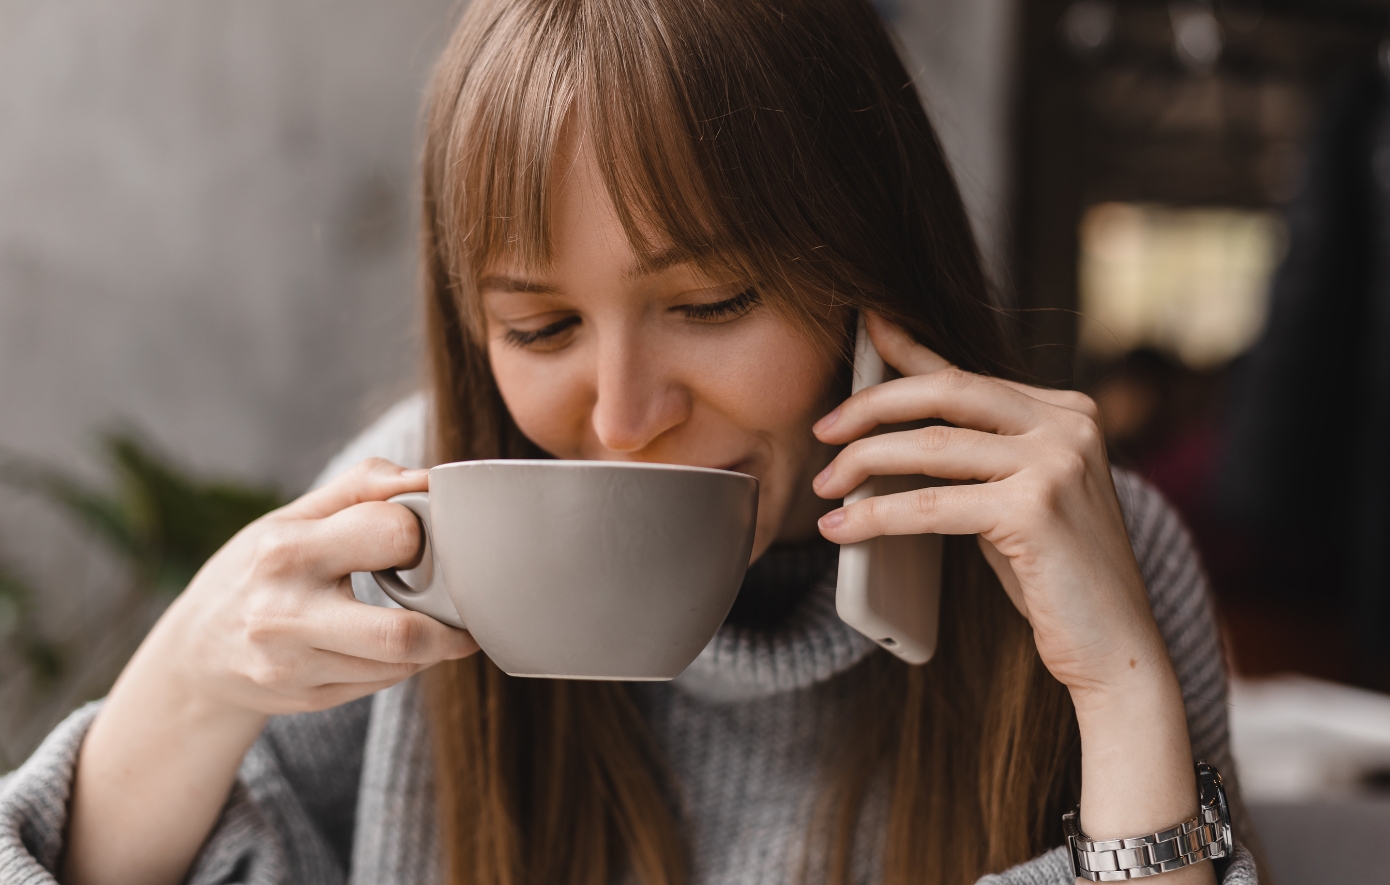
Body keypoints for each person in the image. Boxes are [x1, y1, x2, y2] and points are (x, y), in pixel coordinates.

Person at [0, 1, 1259, 883]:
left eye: (710, 306)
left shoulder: (1089, 551)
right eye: (539, 325)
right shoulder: (423, 509)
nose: (618, 417)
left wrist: (1120, 696)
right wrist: (187, 688)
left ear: (870, 282)